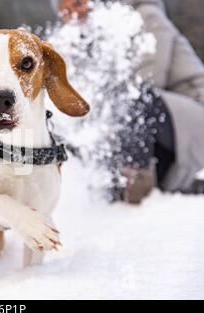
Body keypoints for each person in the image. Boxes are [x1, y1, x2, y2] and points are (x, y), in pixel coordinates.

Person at [54, 0, 204, 202]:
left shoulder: (145, 16)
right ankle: (116, 186)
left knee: (129, 100)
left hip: (192, 118)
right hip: (160, 133)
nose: (74, 15)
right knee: (78, 123)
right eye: (65, 11)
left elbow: (149, 81)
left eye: (79, 4)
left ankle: (134, 188)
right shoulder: (93, 39)